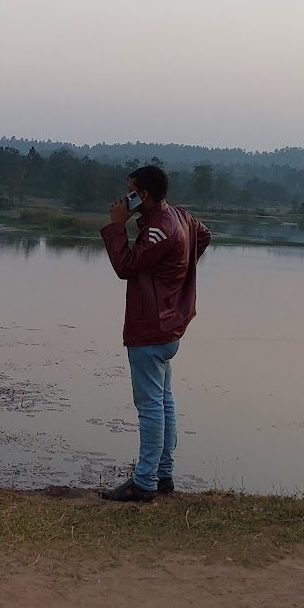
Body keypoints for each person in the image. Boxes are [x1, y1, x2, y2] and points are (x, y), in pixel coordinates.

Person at [98, 165, 211, 502]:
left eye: (130, 191)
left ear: (143, 195)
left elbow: (126, 267)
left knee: (150, 407)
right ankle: (163, 474)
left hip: (151, 328)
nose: (124, 198)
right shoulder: (180, 217)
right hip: (170, 326)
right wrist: (176, 272)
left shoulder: (159, 230)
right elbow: (203, 236)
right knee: (164, 401)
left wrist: (118, 226)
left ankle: (145, 482)